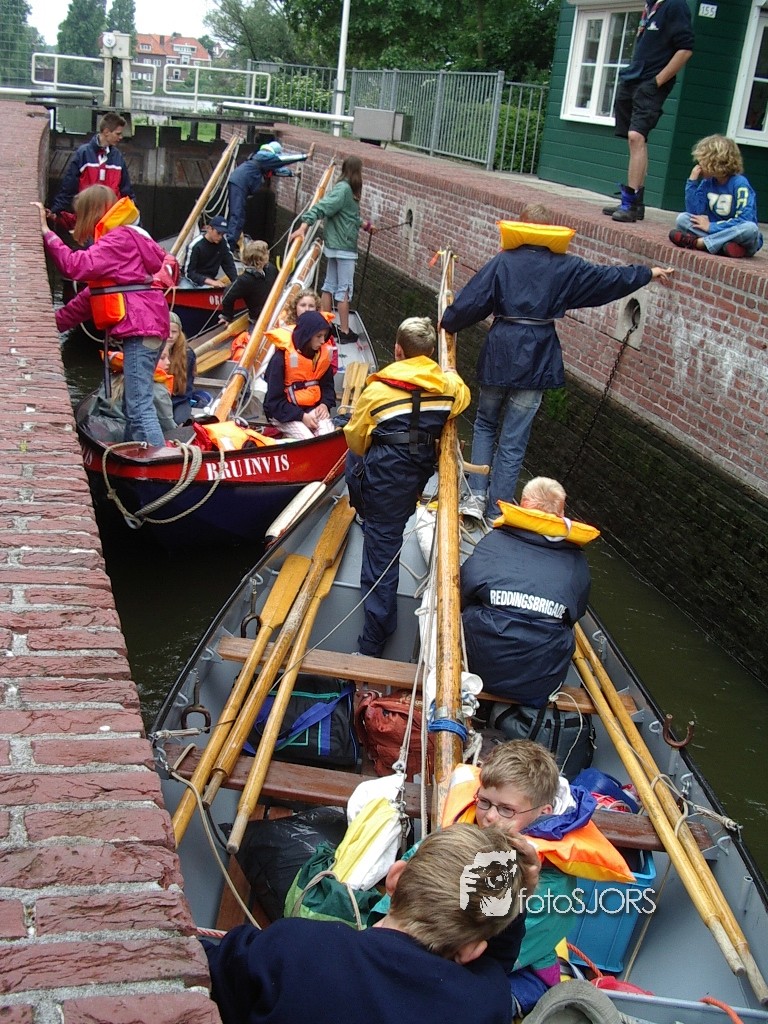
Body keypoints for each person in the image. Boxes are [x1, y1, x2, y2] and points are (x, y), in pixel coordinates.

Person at [440, 205, 674, 521]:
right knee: (514, 438)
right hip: (538, 356)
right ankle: (498, 509)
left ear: (521, 227)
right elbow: (607, 279)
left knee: (485, 422)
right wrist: (646, 273)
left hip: (501, 351)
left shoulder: (503, 262)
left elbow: (474, 300)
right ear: (548, 230)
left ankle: (475, 496)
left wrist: (449, 321)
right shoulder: (566, 267)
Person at [203, 824, 526, 1024]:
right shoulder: (484, 1005)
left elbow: (205, 974)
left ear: (395, 877)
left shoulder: (295, 945)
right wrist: (517, 894)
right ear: (472, 951)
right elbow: (493, 970)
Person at [441, 740, 634, 1016]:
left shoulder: (551, 887)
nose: (490, 817)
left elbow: (486, 955)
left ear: (544, 812)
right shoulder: (475, 825)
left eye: (506, 809)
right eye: (484, 802)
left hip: (518, 971)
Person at [344, 316, 470, 657]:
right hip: (417, 475)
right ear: (429, 353)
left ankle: (374, 641)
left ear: (398, 350)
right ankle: (375, 518)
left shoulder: (377, 390)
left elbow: (356, 440)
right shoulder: (447, 388)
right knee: (387, 525)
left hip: (386, 485)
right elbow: (463, 395)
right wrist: (451, 374)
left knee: (379, 559)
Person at [32, 184, 171, 447]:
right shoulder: (123, 244)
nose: (77, 223)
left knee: (139, 404)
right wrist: (45, 326)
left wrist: (47, 233)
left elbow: (73, 266)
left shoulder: (117, 240)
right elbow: (84, 304)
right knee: (134, 403)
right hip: (149, 324)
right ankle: (136, 454)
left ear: (92, 212)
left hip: (142, 327)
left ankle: (157, 460)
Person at [460, 477, 599, 707]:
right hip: (537, 682)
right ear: (561, 513)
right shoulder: (577, 562)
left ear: (523, 504)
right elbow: (576, 614)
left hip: (478, 667)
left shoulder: (494, 542)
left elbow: (464, 592)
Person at [602, 0, 694, 223]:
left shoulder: (675, 5)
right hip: (633, 77)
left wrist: (657, 81)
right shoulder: (651, 6)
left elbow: (685, 49)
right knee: (634, 139)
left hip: (652, 82)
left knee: (637, 136)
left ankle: (630, 203)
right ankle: (635, 203)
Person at [289, 156, 374, 343]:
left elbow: (348, 215)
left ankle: (326, 327)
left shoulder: (343, 189)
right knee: (344, 290)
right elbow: (322, 207)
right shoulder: (344, 190)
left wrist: (365, 225)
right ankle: (344, 331)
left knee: (329, 286)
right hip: (344, 247)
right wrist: (304, 226)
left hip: (335, 245)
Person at [668, 134, 764, 258]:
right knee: (682, 219)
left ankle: (699, 243)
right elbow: (694, 212)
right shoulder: (708, 182)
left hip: (738, 235)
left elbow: (745, 219)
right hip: (720, 234)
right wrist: (692, 182)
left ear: (715, 162)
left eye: (702, 160)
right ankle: (724, 247)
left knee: (750, 228)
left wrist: (711, 226)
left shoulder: (740, 184)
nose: (699, 164)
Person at [48, 113, 134, 229]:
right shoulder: (83, 154)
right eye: (118, 134)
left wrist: (134, 215)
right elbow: (68, 187)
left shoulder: (118, 157)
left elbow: (126, 191)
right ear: (106, 132)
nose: (121, 137)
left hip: (110, 220)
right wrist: (55, 211)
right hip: (88, 218)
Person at [263, 310, 336, 438]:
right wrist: (301, 416)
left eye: (324, 336)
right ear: (307, 335)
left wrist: (324, 404)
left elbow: (327, 387)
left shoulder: (321, 357)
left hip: (312, 408)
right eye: (318, 336)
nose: (322, 341)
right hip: (283, 412)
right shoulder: (280, 359)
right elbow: (274, 401)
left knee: (326, 436)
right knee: (307, 438)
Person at [226, 141, 310, 251]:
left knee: (238, 214)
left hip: (239, 182)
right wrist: (304, 156)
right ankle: (230, 245)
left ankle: (232, 241)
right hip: (240, 183)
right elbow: (284, 159)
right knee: (237, 215)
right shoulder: (266, 156)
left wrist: (292, 174)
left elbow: (276, 171)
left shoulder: (263, 159)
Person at [87, 344, 177, 443]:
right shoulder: (158, 388)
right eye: (162, 358)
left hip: (99, 427)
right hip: (125, 435)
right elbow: (167, 424)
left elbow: (94, 410)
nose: (168, 362)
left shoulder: (112, 379)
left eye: (168, 358)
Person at [220, 239, 278, 323]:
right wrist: (227, 316)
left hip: (276, 313)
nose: (268, 252)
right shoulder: (245, 280)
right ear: (260, 259)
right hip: (258, 320)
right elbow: (227, 295)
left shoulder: (271, 269)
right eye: (266, 252)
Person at [183, 215, 238, 288]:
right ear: (209, 229)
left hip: (210, 281)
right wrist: (210, 282)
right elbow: (189, 273)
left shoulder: (223, 244)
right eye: (218, 233)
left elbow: (229, 266)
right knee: (186, 288)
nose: (220, 237)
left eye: (223, 234)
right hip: (191, 281)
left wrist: (237, 283)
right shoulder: (195, 245)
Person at [165, 312, 197, 424]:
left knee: (180, 421)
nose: (170, 335)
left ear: (179, 333)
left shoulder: (188, 354)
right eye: (167, 331)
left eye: (174, 332)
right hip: (158, 399)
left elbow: (187, 388)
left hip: (180, 400)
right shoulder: (153, 351)